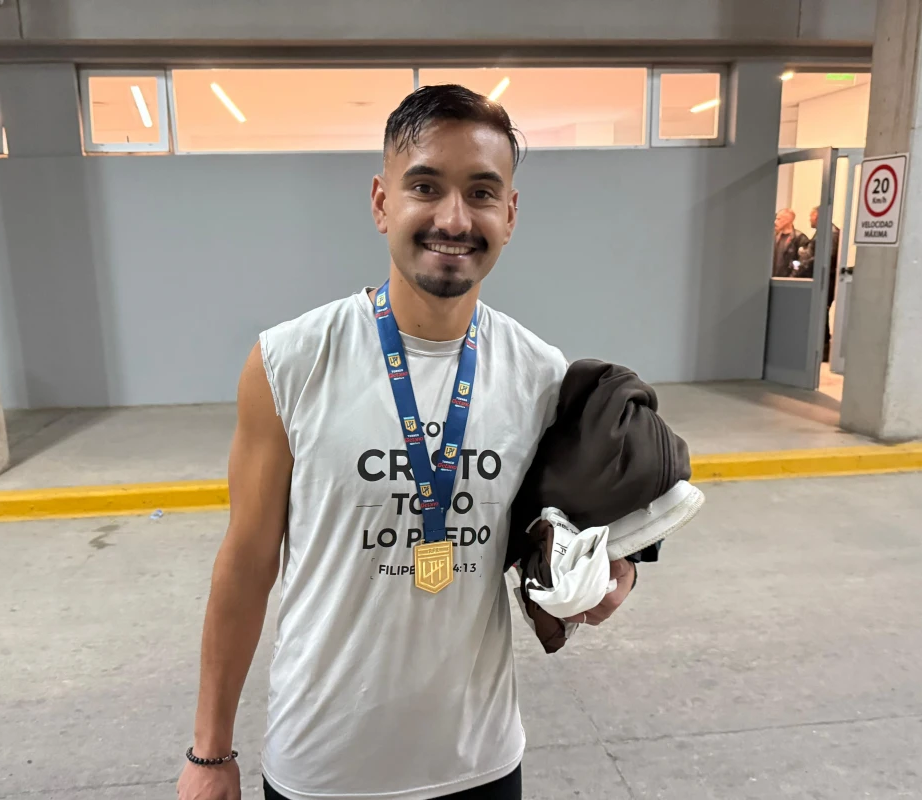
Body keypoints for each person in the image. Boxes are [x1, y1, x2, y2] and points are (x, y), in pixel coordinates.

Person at [176, 85, 637, 800]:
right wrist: (210, 753)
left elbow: (562, 531)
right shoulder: (289, 361)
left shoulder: (542, 375)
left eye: (481, 192)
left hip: (480, 763)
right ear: (381, 201)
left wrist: (608, 574)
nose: (454, 218)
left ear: (510, 214)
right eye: (426, 186)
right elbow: (245, 564)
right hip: (323, 769)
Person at [801, 206, 841, 361]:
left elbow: (826, 258)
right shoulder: (823, 232)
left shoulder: (831, 233)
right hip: (821, 279)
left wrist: (805, 261)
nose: (809, 219)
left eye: (811, 216)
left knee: (821, 313)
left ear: (818, 216)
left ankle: (822, 350)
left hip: (825, 281)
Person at [772, 208, 810, 278]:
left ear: (788, 220)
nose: (775, 222)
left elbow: (802, 262)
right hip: (774, 278)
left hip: (789, 280)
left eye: (779, 219)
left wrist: (792, 277)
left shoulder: (800, 238)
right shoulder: (774, 237)